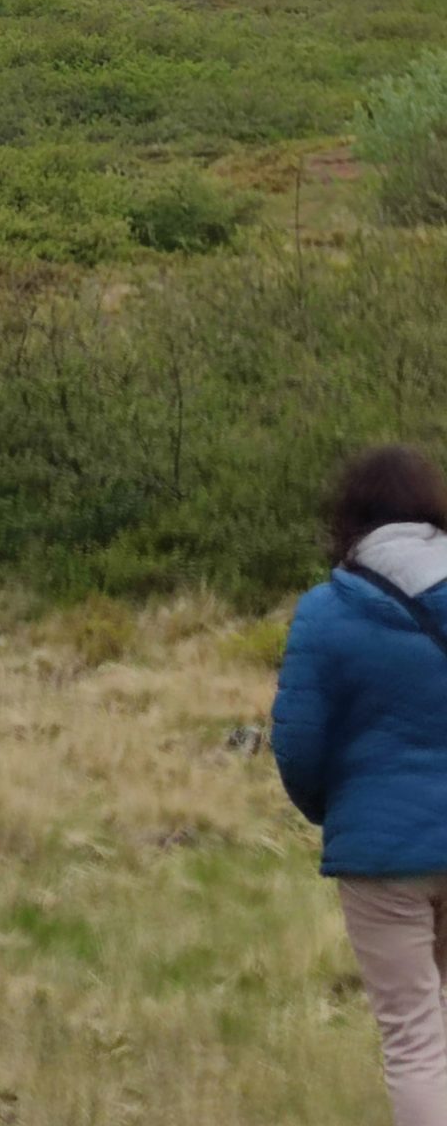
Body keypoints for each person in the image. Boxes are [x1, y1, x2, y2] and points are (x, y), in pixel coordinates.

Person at [273, 445, 447, 1126]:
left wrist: (337, 813)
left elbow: (298, 743)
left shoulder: (326, 611)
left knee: (413, 1036)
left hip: (382, 858)